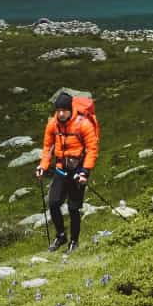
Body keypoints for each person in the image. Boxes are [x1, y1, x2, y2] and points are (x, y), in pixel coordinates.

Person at [36, 88, 100, 251]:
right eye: (58, 111)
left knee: (73, 207)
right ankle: (61, 236)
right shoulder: (53, 124)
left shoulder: (83, 124)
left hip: (78, 170)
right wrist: (43, 166)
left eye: (64, 110)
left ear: (70, 110)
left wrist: (85, 171)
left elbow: (92, 149)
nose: (61, 114)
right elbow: (47, 146)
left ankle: (74, 241)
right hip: (61, 168)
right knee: (53, 202)